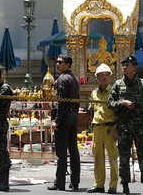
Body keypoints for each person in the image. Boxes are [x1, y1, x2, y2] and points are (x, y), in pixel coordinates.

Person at [107, 55, 143, 195]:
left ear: (134, 67)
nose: (125, 67)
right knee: (124, 158)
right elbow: (110, 103)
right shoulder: (117, 84)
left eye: (128, 64)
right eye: (124, 65)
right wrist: (122, 102)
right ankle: (125, 186)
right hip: (124, 127)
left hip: (139, 127)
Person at [47, 54, 81, 191]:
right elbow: (77, 100)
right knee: (73, 150)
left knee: (61, 152)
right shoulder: (74, 79)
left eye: (60, 62)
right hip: (73, 116)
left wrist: (57, 120)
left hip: (65, 117)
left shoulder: (62, 79)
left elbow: (61, 103)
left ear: (68, 65)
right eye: (57, 61)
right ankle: (75, 181)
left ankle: (59, 182)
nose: (57, 64)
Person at [86, 64, 118, 194]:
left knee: (113, 157)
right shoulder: (94, 93)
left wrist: (117, 129)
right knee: (98, 157)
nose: (104, 77)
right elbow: (92, 110)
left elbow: (118, 112)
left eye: (107, 74)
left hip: (110, 127)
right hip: (97, 127)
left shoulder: (114, 92)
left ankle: (113, 185)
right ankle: (99, 184)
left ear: (110, 77)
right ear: (97, 77)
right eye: (102, 75)